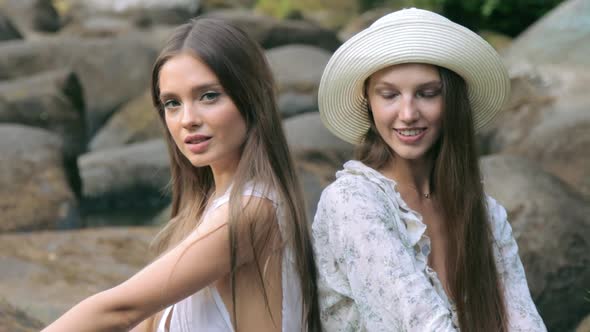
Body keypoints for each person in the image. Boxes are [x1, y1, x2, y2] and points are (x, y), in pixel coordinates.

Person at [42, 17, 321, 332]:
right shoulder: (210, 211)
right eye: (172, 103)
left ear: (251, 98)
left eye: (208, 96)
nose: (187, 119)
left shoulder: (249, 211)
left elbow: (119, 310)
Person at [312, 8, 546, 332]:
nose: (408, 113)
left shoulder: (485, 214)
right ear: (368, 102)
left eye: (427, 93)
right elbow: (420, 324)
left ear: (452, 100)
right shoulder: (352, 202)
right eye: (389, 94)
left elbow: (523, 321)